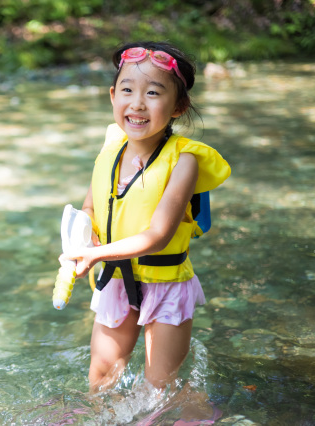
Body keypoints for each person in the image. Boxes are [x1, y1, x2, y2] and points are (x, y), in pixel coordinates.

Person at [62, 41, 231, 402]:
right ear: (112, 96)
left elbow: (158, 234)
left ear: (178, 106)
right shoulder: (111, 149)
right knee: (100, 379)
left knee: (161, 389)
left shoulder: (184, 161)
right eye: (127, 90)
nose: (137, 103)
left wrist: (98, 254)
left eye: (153, 93)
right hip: (116, 279)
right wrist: (80, 244)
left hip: (166, 284)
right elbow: (91, 208)